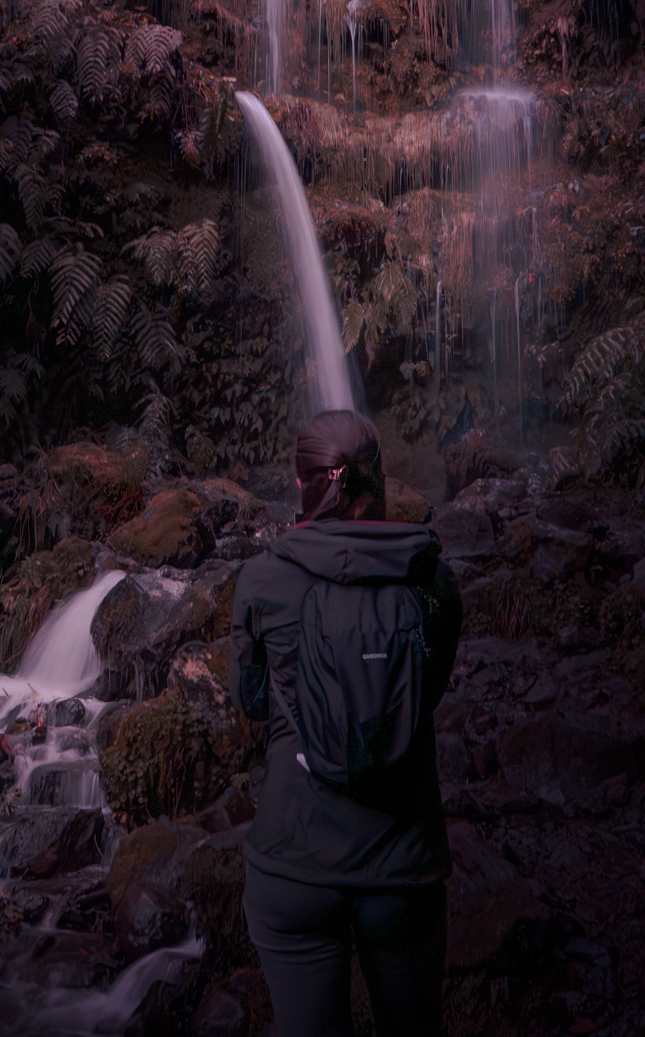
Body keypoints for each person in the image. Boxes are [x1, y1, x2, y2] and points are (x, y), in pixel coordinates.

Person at [229, 409, 463, 1037]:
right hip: (402, 867)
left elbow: (251, 701)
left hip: (293, 862)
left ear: (301, 481)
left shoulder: (261, 578)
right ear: (378, 481)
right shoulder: (433, 581)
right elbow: (424, 698)